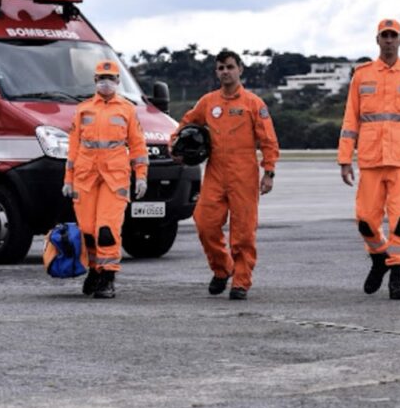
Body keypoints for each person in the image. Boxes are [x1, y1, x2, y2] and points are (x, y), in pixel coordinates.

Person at [173, 50, 279, 300]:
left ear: (240, 69)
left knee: (243, 232)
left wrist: (269, 172)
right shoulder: (208, 102)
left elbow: (268, 140)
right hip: (216, 171)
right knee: (205, 222)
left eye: (230, 67)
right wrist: (174, 145)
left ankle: (241, 281)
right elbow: (187, 123)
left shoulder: (254, 104)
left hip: (244, 173)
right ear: (216, 72)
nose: (225, 72)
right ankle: (223, 268)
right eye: (221, 68)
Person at [338, 19, 400, 300]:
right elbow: (350, 119)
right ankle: (379, 258)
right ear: (377, 40)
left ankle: (397, 278)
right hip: (370, 160)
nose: (389, 40)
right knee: (365, 220)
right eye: (384, 36)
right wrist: (345, 158)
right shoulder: (362, 75)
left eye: (394, 36)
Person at [62, 60, 148, 299]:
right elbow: (73, 147)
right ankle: (94, 270)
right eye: (101, 78)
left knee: (107, 229)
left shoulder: (127, 110)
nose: (106, 83)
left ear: (118, 82)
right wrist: (68, 179)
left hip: (115, 178)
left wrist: (141, 176)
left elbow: (139, 145)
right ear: (95, 81)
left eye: (110, 78)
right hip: (85, 178)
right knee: (87, 230)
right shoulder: (83, 109)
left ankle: (108, 277)